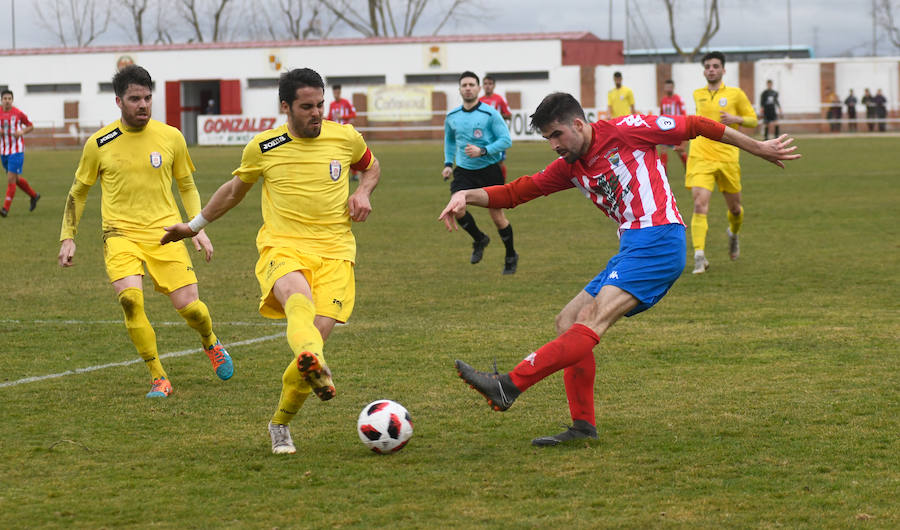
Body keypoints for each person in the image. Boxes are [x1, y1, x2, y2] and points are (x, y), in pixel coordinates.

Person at [440, 92, 799, 446]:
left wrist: (759, 147)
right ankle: (582, 426)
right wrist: (466, 195)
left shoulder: (628, 130)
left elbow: (697, 125)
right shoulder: (570, 166)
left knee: (589, 319)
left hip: (659, 240)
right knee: (568, 321)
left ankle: (508, 385)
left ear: (577, 124)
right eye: (547, 137)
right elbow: (517, 192)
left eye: (556, 135)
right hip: (632, 247)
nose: (553, 145)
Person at [160, 68, 380, 455]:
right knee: (298, 299)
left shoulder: (345, 138)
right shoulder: (264, 147)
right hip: (283, 247)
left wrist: (362, 190)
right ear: (285, 107)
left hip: (336, 253)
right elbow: (232, 192)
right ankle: (313, 363)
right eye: (307, 107)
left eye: (320, 105)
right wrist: (193, 227)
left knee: (314, 341)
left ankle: (280, 422)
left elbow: (371, 166)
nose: (317, 113)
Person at [57, 65, 233, 398]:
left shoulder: (170, 137)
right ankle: (158, 376)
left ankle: (210, 341)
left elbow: (187, 183)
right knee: (129, 300)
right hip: (119, 234)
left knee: (191, 308)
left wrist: (196, 226)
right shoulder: (99, 143)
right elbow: (78, 191)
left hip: (165, 232)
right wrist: (69, 236)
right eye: (135, 98)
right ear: (118, 101)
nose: (143, 105)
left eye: (148, 98)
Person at [685, 51, 758, 274]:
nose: (711, 69)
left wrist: (737, 119)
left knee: (735, 209)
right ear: (704, 70)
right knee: (699, 204)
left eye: (716, 66)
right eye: (707, 66)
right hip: (700, 155)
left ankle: (733, 233)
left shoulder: (735, 94)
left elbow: (753, 120)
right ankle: (699, 256)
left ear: (723, 70)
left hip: (727, 158)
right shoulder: (697, 94)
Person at [442, 71, 517, 274]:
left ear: (478, 88)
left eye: (471, 84)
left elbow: (506, 141)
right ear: (460, 89)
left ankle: (510, 255)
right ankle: (479, 239)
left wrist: (482, 150)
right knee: (457, 208)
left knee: (497, 217)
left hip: (490, 170)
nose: (468, 88)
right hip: (464, 171)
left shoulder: (490, 114)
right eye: (464, 85)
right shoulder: (452, 116)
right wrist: (448, 163)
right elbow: (449, 141)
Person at [0, 90, 40, 217]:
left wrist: (22, 132)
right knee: (16, 179)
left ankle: (5, 209)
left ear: (12, 100)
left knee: (11, 178)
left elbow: (30, 126)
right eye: (5, 98)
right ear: (1, 100)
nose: (7, 100)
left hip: (16, 151)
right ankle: (34, 196)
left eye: (9, 98)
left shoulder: (18, 113)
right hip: (4, 151)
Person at [479, 74, 512, 180]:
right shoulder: (479, 101)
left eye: (490, 84)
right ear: (482, 86)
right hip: (483, 136)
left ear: (494, 85)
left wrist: (495, 116)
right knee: (483, 159)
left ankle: (502, 183)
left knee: (499, 160)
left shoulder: (499, 99)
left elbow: (509, 115)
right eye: (485, 84)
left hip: (497, 135)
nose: (487, 86)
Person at [327, 84, 359, 180]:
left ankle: (354, 174)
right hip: (335, 133)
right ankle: (339, 173)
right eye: (335, 92)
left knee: (349, 153)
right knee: (336, 153)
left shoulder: (346, 103)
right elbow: (330, 117)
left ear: (340, 92)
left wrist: (343, 117)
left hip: (345, 132)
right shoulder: (331, 105)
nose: (336, 94)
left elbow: (354, 114)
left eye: (338, 92)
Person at [658, 79, 688, 170]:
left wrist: (683, 127)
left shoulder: (678, 99)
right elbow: (662, 114)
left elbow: (684, 114)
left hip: (676, 129)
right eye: (667, 87)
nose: (668, 89)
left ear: (673, 87)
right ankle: (664, 175)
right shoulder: (663, 100)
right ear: (664, 88)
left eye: (670, 87)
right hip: (666, 130)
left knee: (680, 151)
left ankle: (689, 171)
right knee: (663, 149)